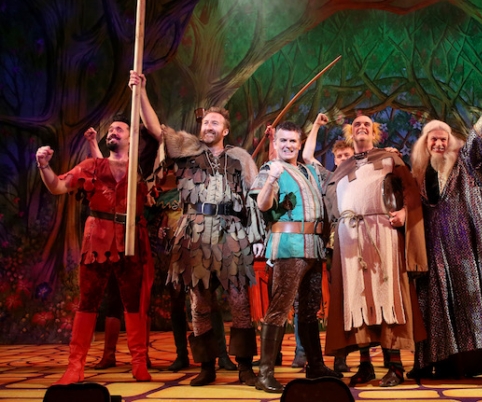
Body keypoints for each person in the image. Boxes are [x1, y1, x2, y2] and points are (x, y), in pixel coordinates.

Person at [130, 71, 265, 386]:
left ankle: (245, 367)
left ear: (225, 130)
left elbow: (255, 198)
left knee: (239, 301)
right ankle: (206, 366)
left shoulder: (240, 157)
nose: (208, 126)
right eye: (205, 123)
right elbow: (156, 128)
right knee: (199, 303)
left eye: (215, 123)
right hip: (195, 233)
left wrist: (257, 236)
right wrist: (141, 92)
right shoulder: (187, 149)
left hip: (232, 233)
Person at [408, 69, 482, 386]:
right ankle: (442, 360)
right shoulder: (420, 173)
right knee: (441, 304)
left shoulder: (467, 159)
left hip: (470, 246)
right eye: (433, 139)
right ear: (425, 144)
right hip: (438, 249)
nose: (439, 142)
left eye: (443, 138)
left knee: (481, 300)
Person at [36, 116, 153, 384]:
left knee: (133, 302)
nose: (112, 132)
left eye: (119, 129)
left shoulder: (140, 170)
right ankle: (75, 366)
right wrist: (43, 165)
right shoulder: (92, 166)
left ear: (132, 138)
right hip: (97, 241)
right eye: (110, 130)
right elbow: (58, 186)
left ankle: (138, 362)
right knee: (88, 302)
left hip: (130, 240)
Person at [323, 112, 428, 388]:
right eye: (356, 124)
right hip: (350, 238)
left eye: (366, 124)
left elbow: (411, 190)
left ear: (374, 132)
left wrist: (404, 212)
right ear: (350, 133)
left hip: (382, 231)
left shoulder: (389, 158)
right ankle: (365, 365)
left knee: (387, 296)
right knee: (356, 298)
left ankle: (395, 366)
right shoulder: (342, 169)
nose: (361, 127)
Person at [249, 121, 341, 393]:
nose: (288, 145)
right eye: (283, 140)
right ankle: (265, 373)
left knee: (309, 309)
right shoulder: (271, 169)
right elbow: (263, 204)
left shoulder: (309, 170)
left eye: (292, 141)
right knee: (280, 307)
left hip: (313, 247)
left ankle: (315, 365)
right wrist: (272, 179)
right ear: (275, 143)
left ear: (299, 144)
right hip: (289, 246)